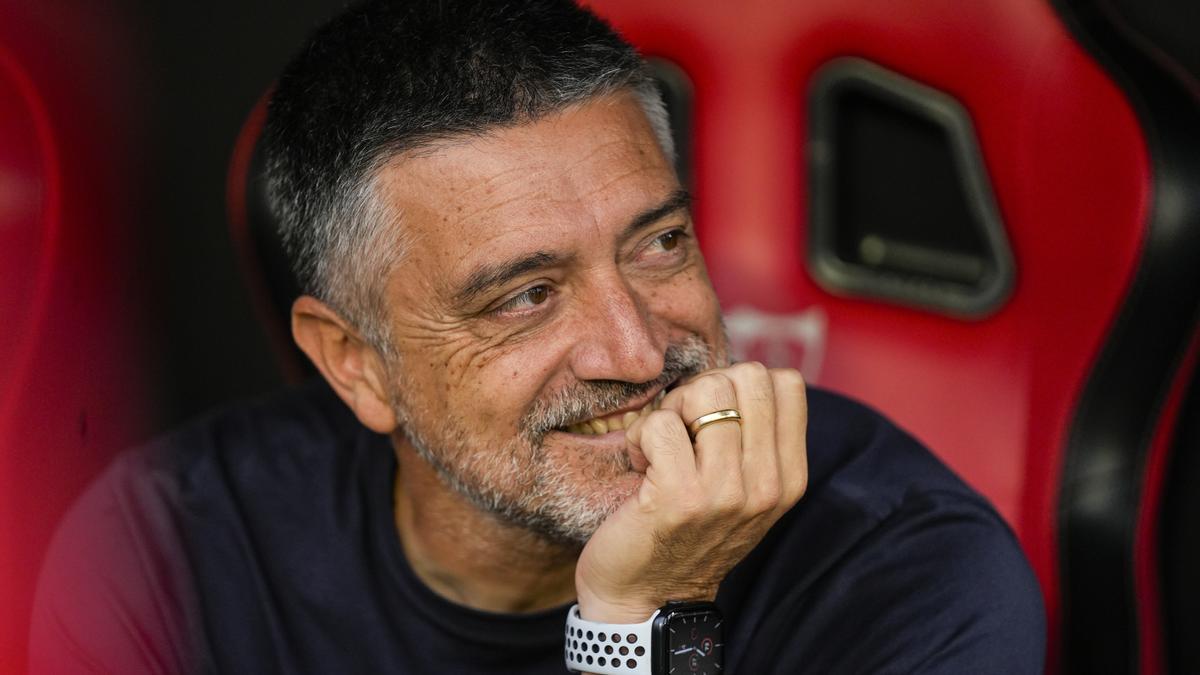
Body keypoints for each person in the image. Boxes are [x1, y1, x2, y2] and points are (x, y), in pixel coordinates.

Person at [30, 1, 1045, 673]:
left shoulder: (906, 570)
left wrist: (645, 621)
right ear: (355, 363)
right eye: (524, 296)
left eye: (659, 244)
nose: (639, 352)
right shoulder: (164, 564)